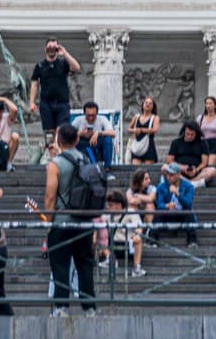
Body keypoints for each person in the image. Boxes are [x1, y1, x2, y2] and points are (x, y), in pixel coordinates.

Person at [38, 122, 100, 315]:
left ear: (58, 140)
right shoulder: (86, 160)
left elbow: (50, 196)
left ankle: (61, 307)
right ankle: (89, 308)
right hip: (84, 221)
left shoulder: (55, 164)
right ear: (77, 140)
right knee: (85, 266)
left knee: (60, 265)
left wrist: (48, 222)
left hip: (62, 222)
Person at [28, 38, 82, 136]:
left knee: (62, 130)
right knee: (49, 132)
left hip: (62, 103)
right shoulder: (40, 66)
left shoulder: (63, 63)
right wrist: (32, 102)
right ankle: (51, 146)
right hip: (46, 103)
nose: (52, 49)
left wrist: (64, 53)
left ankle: (59, 146)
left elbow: (76, 67)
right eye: (49, 47)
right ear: (45, 48)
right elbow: (34, 84)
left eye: (54, 47)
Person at [104, 187, 146, 276]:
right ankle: (110, 259)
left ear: (119, 205)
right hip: (111, 244)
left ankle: (137, 267)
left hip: (128, 243)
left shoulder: (130, 212)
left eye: (110, 205)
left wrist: (137, 235)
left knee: (138, 240)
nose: (108, 207)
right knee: (99, 238)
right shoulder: (106, 215)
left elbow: (138, 226)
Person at [152, 162, 197, 244]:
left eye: (172, 174)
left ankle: (192, 241)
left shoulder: (189, 186)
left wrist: (177, 194)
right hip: (167, 215)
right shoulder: (161, 186)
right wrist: (167, 206)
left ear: (179, 175)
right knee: (158, 212)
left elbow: (188, 204)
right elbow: (159, 204)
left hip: (182, 215)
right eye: (167, 174)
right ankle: (152, 241)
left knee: (189, 212)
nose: (168, 177)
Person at [165, 121, 216, 185]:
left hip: (197, 172)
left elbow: (204, 163)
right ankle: (191, 184)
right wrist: (181, 167)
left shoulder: (202, 143)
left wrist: (196, 169)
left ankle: (190, 183)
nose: (189, 136)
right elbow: (169, 161)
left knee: (213, 170)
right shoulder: (176, 142)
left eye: (192, 135)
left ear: (196, 133)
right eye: (187, 134)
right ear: (184, 132)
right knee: (164, 167)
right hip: (179, 171)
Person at [70, 100, 116, 167]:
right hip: (82, 146)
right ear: (84, 113)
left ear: (97, 113)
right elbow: (67, 134)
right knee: (73, 140)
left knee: (108, 139)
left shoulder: (102, 119)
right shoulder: (78, 120)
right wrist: (80, 134)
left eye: (93, 115)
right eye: (88, 115)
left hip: (97, 146)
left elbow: (113, 133)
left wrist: (98, 133)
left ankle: (107, 167)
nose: (91, 118)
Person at [126, 96, 162, 165]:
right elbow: (129, 128)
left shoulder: (155, 118)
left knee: (148, 168)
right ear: (143, 105)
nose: (148, 104)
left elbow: (155, 129)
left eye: (150, 103)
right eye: (146, 102)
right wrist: (134, 131)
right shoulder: (137, 117)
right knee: (136, 167)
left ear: (153, 106)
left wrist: (141, 130)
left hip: (149, 146)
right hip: (136, 145)